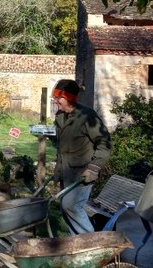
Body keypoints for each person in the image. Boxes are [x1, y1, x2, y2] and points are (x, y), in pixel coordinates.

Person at [52, 79, 111, 235]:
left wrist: (94, 168)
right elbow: (63, 145)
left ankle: (91, 242)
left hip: (82, 173)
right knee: (65, 208)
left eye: (58, 97)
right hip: (66, 172)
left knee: (72, 207)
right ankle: (77, 243)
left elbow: (104, 143)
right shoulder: (60, 116)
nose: (56, 100)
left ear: (68, 98)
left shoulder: (87, 116)